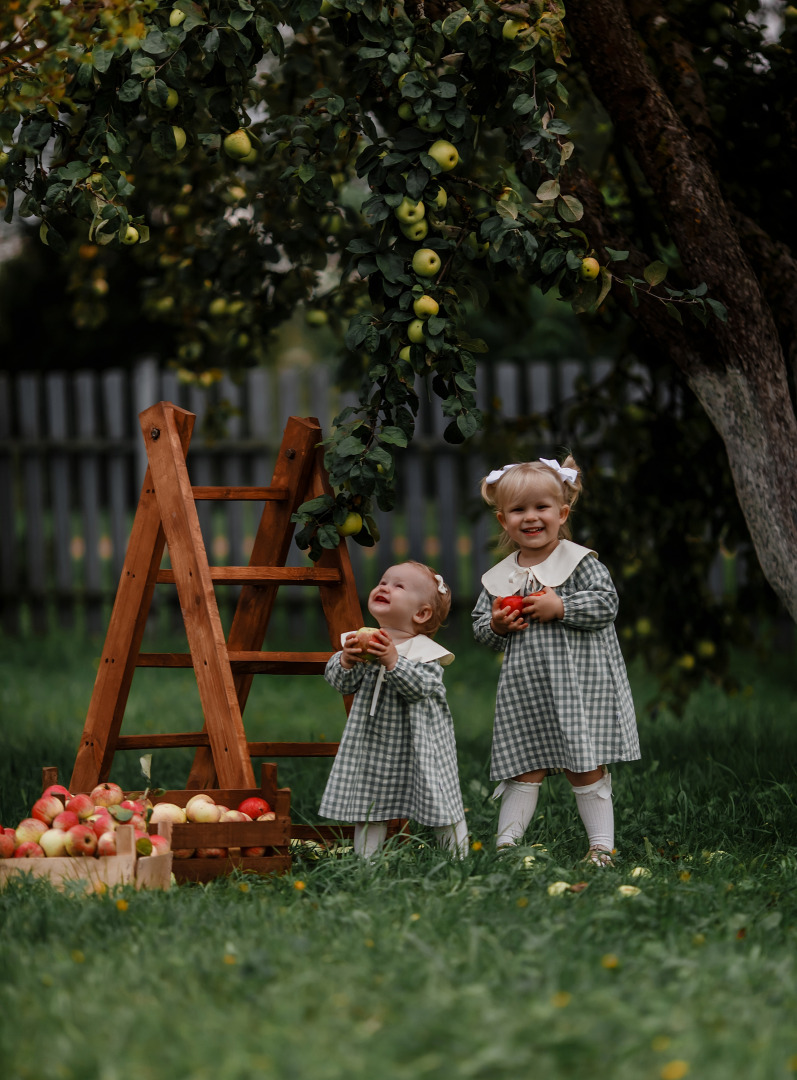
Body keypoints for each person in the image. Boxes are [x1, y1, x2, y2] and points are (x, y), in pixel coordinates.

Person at [472, 457, 640, 864]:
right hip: (528, 693)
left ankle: (601, 847)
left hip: (580, 689)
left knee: (585, 766)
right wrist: (498, 623)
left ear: (561, 513)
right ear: (503, 519)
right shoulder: (501, 577)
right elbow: (481, 627)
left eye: (541, 508)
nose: (531, 518)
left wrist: (560, 606)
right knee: (522, 766)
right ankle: (507, 847)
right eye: (518, 510)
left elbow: (606, 604)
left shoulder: (580, 563)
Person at [319, 561, 468, 858]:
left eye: (398, 586)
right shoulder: (364, 642)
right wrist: (346, 661)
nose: (385, 587)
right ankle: (366, 863)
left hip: (422, 745)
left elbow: (421, 688)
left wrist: (393, 661)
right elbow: (341, 683)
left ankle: (457, 857)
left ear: (421, 613)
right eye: (384, 581)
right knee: (369, 802)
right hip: (374, 743)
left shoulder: (426, 653)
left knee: (439, 798)